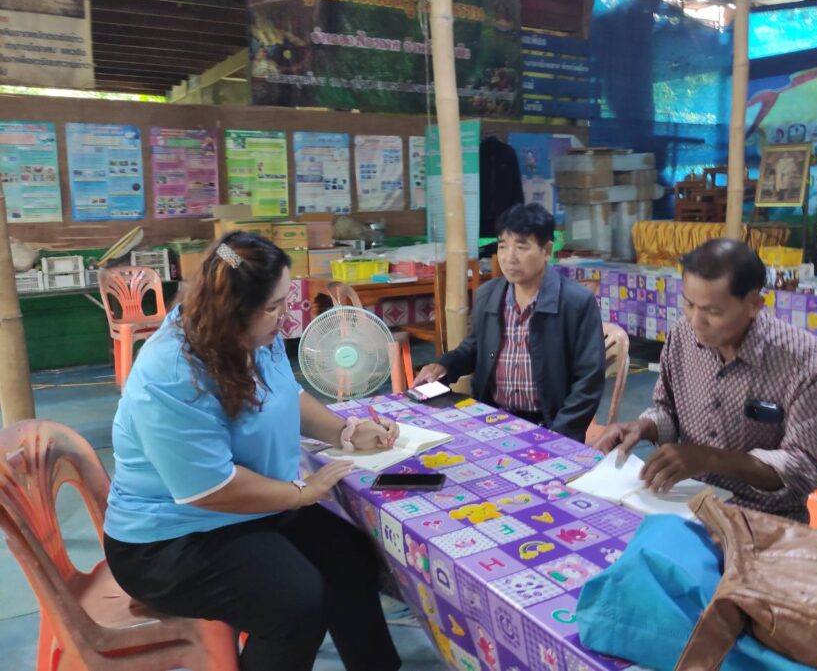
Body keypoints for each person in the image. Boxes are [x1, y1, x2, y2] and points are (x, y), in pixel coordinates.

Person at [103, 232, 402, 671]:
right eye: (275, 306)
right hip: (171, 539)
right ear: (232, 310)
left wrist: (347, 431)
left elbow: (285, 395)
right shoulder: (169, 373)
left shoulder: (256, 334)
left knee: (350, 556)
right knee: (296, 604)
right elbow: (211, 489)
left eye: (286, 300)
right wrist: (300, 494)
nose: (286, 316)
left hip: (249, 509)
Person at [594, 239, 817, 522]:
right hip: (687, 502)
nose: (696, 321)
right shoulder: (682, 336)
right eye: (689, 304)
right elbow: (668, 411)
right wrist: (643, 427)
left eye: (713, 311)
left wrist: (711, 458)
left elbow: (804, 467)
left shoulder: (803, 358)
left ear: (754, 305)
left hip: (764, 518)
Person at [414, 203, 605, 443]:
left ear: (546, 250)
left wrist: (558, 437)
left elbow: (589, 381)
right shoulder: (488, 295)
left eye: (521, 246)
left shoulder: (576, 302)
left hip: (549, 425)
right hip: (491, 419)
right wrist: (445, 365)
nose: (509, 257)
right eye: (503, 246)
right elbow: (475, 347)